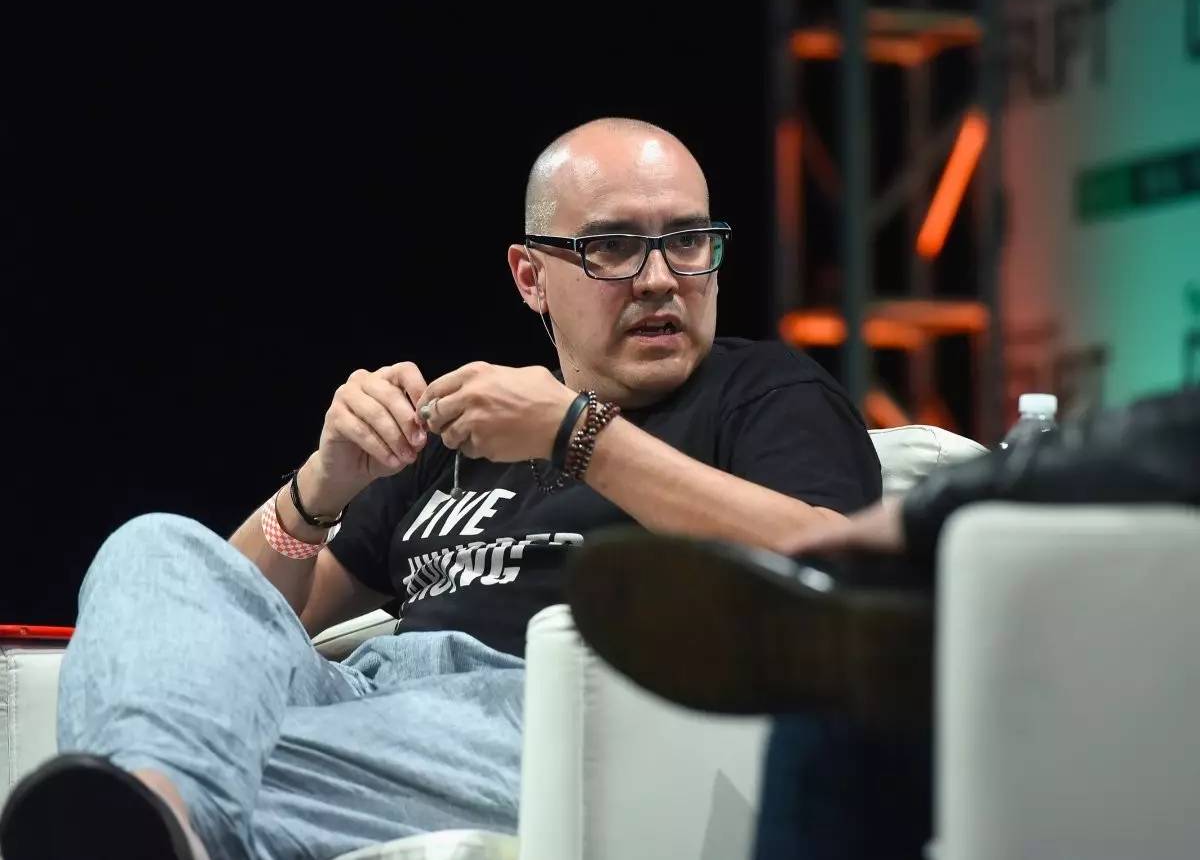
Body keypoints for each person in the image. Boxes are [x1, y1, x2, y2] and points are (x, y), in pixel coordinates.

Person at [0, 117, 884, 860]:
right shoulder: (465, 429)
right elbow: (242, 617)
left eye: (687, 241)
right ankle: (165, 814)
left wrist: (579, 436)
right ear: (531, 277)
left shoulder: (761, 392)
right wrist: (320, 488)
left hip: (547, 718)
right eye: (613, 247)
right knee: (154, 545)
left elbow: (834, 569)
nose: (660, 278)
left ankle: (156, 805)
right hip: (369, 703)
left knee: (183, 753)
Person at [565, 386, 1200, 860]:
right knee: (861, 651)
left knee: (852, 668)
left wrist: (930, 508)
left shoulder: (771, 392)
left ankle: (922, 648)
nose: (657, 276)